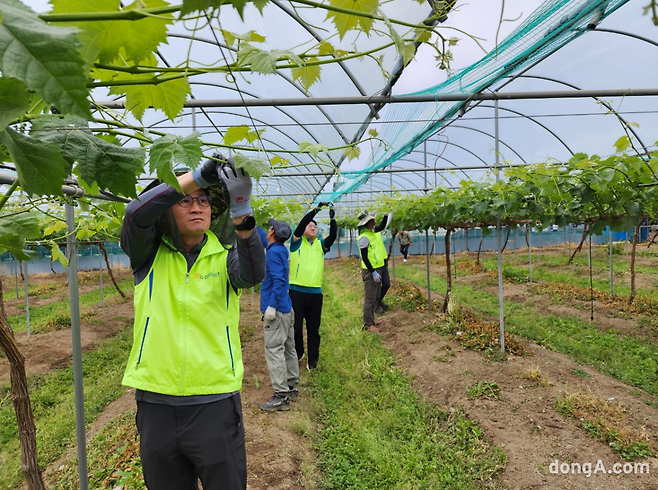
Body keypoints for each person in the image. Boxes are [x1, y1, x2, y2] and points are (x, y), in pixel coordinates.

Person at [120, 154, 265, 490]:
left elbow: (253, 273)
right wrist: (198, 176)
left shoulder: (226, 257)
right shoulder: (147, 256)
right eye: (185, 200)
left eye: (204, 201)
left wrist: (243, 210)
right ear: (168, 209)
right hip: (156, 403)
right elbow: (134, 214)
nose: (197, 206)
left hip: (213, 401)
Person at [256, 218, 299, 411]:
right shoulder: (280, 249)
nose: (267, 229)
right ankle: (292, 386)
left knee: (275, 351)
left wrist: (271, 307)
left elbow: (279, 280)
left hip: (277, 311)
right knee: (289, 348)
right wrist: (245, 220)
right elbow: (262, 239)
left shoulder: (272, 254)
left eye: (269, 227)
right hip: (287, 309)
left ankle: (281, 396)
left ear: (273, 232)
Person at [289, 202, 337, 370]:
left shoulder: (320, 245)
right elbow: (303, 223)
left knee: (313, 329)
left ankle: (313, 360)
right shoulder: (296, 242)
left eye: (315, 226)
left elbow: (333, 236)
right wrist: (317, 210)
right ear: (303, 230)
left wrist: (332, 219)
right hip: (296, 293)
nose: (312, 227)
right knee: (295, 327)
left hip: (315, 294)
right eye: (310, 225)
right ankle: (299, 351)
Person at [357, 209, 392, 333]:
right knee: (370, 298)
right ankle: (367, 325)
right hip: (370, 271)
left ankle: (372, 319)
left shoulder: (372, 232)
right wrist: (373, 272)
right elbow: (365, 258)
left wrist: (386, 214)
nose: (375, 220)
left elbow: (382, 226)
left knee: (376, 295)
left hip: (378, 268)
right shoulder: (364, 237)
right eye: (373, 218)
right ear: (369, 222)